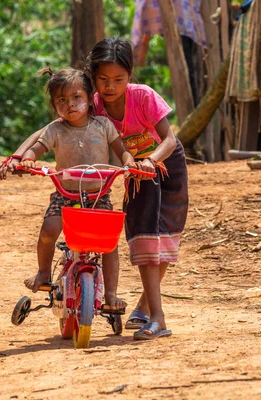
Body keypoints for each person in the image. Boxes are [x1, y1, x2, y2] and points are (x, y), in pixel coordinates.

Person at [3, 66, 135, 313]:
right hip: (64, 194)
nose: (70, 104)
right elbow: (37, 148)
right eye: (62, 100)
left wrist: (129, 164)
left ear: (89, 99)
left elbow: (122, 150)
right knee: (48, 231)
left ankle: (111, 294)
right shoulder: (55, 130)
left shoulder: (103, 125)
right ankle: (43, 271)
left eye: (77, 97)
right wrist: (29, 159)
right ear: (54, 106)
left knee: (109, 244)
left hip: (99, 196)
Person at [85, 37, 189, 340]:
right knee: (144, 236)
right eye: (103, 79)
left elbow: (169, 140)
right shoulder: (92, 107)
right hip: (136, 172)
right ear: (93, 78)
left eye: (118, 79)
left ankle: (147, 308)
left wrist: (151, 161)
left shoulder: (143, 97)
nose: (110, 86)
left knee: (165, 236)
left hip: (167, 166)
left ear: (130, 76)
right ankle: (157, 317)